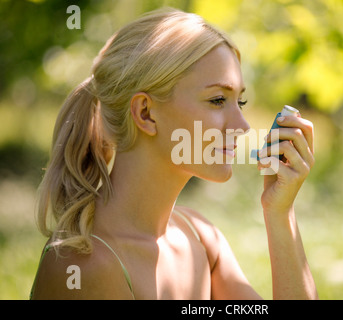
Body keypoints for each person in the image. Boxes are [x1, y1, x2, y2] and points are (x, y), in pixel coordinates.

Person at [30, 7, 317, 300]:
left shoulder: (201, 238)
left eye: (239, 102)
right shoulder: (83, 267)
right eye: (217, 100)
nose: (242, 126)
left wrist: (280, 213)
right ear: (145, 113)